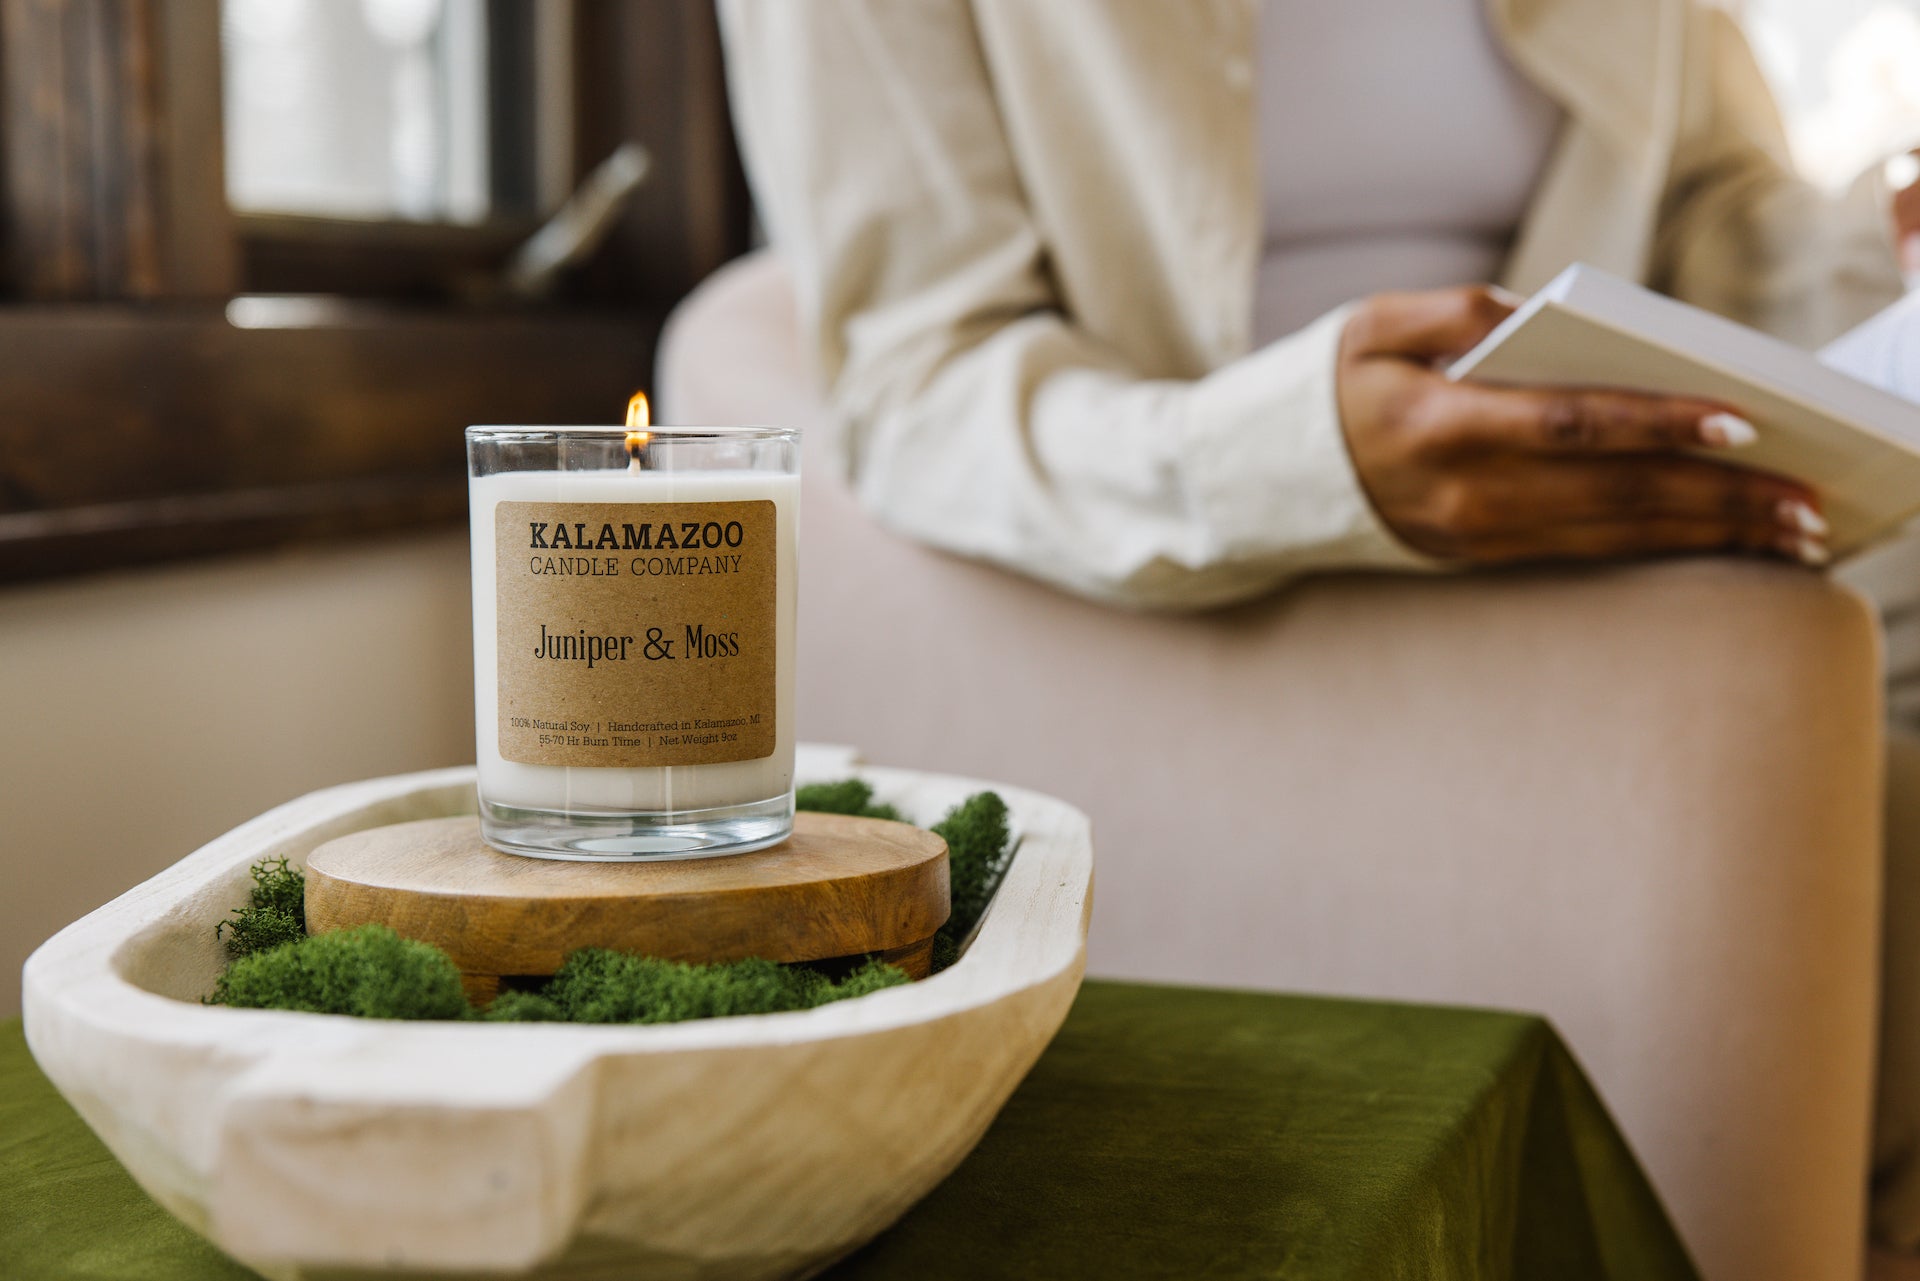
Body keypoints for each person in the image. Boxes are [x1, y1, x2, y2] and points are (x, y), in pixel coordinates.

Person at [716, 0, 1920, 1251]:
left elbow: (1712, 211)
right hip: (1209, 569)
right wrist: (1293, 460)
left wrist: (1872, 251)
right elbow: (921, 377)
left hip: (1620, 540)